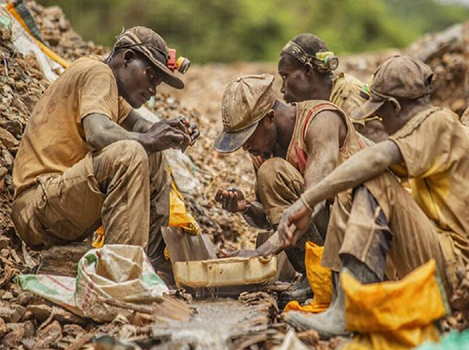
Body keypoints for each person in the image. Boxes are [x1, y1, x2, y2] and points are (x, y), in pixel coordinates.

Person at [276, 55, 469, 338]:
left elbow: (376, 159)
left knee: (371, 178)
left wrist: (307, 200)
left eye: (381, 114)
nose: (380, 123)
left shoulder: (438, 123)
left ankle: (349, 310)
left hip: (458, 267)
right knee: (352, 177)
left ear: (394, 106)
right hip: (438, 254)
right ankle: (340, 299)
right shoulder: (427, 133)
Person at [11, 27, 198, 276]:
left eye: (158, 84)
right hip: (38, 206)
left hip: (60, 205)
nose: (153, 90)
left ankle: (150, 265)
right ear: (128, 58)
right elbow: (98, 133)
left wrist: (172, 130)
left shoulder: (111, 90)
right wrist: (149, 139)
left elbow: (143, 127)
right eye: (150, 76)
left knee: (151, 153)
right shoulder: (98, 73)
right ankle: (123, 277)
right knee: (131, 152)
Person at [213, 74, 369, 302]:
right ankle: (314, 275)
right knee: (270, 172)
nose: (245, 146)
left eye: (247, 136)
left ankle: (328, 277)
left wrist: (262, 251)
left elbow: (311, 203)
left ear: (269, 118)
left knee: (271, 171)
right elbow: (275, 217)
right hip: (329, 233)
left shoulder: (320, 120)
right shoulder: (262, 149)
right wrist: (246, 208)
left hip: (361, 230)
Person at [278, 33, 388, 143]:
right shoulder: (318, 105)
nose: (282, 89)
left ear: (307, 70)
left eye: (285, 76)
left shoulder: (348, 97)